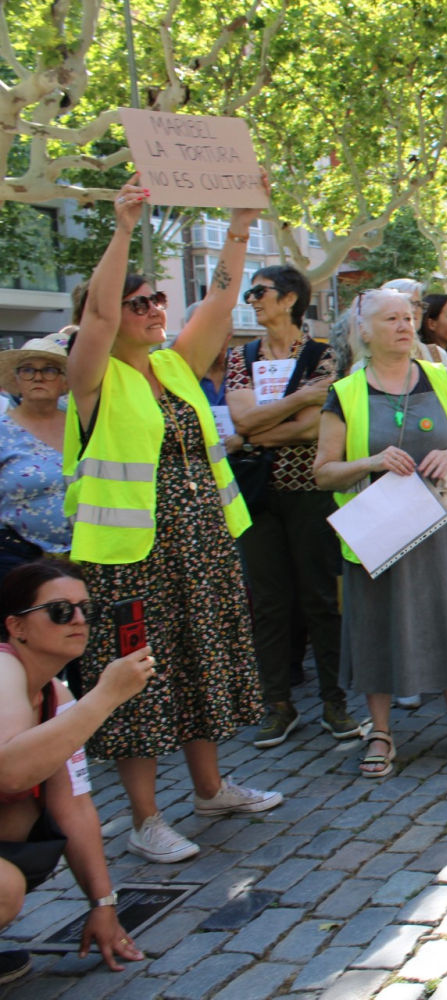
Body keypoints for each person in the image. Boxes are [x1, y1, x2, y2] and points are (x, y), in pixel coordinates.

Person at [65, 175, 282, 864]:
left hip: (200, 545)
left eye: (158, 297)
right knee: (137, 684)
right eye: (139, 302)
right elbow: (97, 321)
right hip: (128, 556)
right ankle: (145, 818)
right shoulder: (94, 375)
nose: (155, 308)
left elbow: (219, 301)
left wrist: (241, 223)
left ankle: (211, 788)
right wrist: (125, 225)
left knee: (200, 664)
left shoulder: (176, 364)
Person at [313, 288, 447, 776]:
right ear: (365, 332)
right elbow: (323, 471)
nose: (403, 326)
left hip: (438, 525)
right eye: (390, 319)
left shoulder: (442, 379)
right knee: (376, 622)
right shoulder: (346, 391)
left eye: (408, 317)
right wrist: (372, 462)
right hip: (377, 528)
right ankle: (380, 731)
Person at [0, 561, 157, 985]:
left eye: (86, 608)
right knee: (3, 887)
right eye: (60, 611)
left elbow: (72, 802)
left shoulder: (55, 691)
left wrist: (103, 904)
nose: (80, 620)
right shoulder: (3, 670)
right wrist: (105, 697)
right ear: (17, 626)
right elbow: (10, 772)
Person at [226, 264, 356, 747]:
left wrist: (252, 434)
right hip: (258, 495)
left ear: (289, 299)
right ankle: (276, 703)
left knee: (321, 597)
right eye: (250, 292)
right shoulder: (241, 356)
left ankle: (334, 701)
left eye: (259, 292)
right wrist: (298, 400)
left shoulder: (326, 354)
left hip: (310, 489)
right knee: (269, 603)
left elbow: (312, 428)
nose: (252, 299)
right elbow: (241, 415)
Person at [0, 337, 73, 581]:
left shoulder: (81, 428)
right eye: (28, 370)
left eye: (49, 370)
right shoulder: (3, 430)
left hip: (83, 557)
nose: (38, 377)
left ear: (64, 381)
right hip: (17, 558)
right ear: (18, 381)